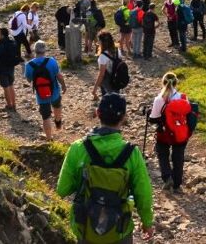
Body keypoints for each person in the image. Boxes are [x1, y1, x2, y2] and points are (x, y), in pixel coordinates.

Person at [56, 94, 154, 243]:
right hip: (119, 230)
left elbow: (63, 189)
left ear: (97, 113)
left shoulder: (78, 148)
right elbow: (143, 194)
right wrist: (147, 223)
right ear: (124, 118)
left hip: (86, 226)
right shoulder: (132, 154)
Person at [148, 73, 194, 194]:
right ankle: (177, 184)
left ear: (163, 82)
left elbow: (153, 119)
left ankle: (167, 177)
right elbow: (188, 115)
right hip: (180, 133)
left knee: (162, 152)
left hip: (165, 133)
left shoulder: (159, 99)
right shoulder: (183, 97)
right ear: (176, 83)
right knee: (178, 156)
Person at [24, 41, 66, 140]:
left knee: (46, 117)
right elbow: (58, 76)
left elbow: (29, 80)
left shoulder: (29, 65)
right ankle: (58, 122)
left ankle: (49, 138)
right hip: (54, 91)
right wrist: (63, 85)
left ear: (35, 51)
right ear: (45, 50)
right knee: (57, 106)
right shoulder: (52, 61)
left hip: (41, 95)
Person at [0, 27, 22, 111]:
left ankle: (9, 105)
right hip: (11, 67)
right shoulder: (13, 42)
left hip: (2, 68)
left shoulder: (1, 45)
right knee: (11, 85)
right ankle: (14, 104)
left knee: (6, 87)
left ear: (2, 35)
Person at [92, 31, 121, 100]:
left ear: (102, 42)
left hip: (107, 82)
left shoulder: (103, 56)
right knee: (116, 97)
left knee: (107, 100)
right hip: (117, 79)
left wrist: (94, 89)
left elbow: (101, 74)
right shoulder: (117, 51)